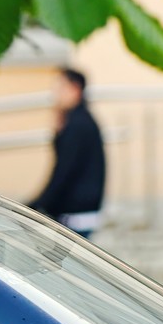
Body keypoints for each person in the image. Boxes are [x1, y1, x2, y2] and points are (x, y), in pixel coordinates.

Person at [32, 68, 107, 238]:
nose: (56, 95)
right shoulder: (78, 120)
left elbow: (65, 169)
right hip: (80, 209)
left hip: (77, 213)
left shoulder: (78, 124)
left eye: (61, 88)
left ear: (75, 89)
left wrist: (40, 204)